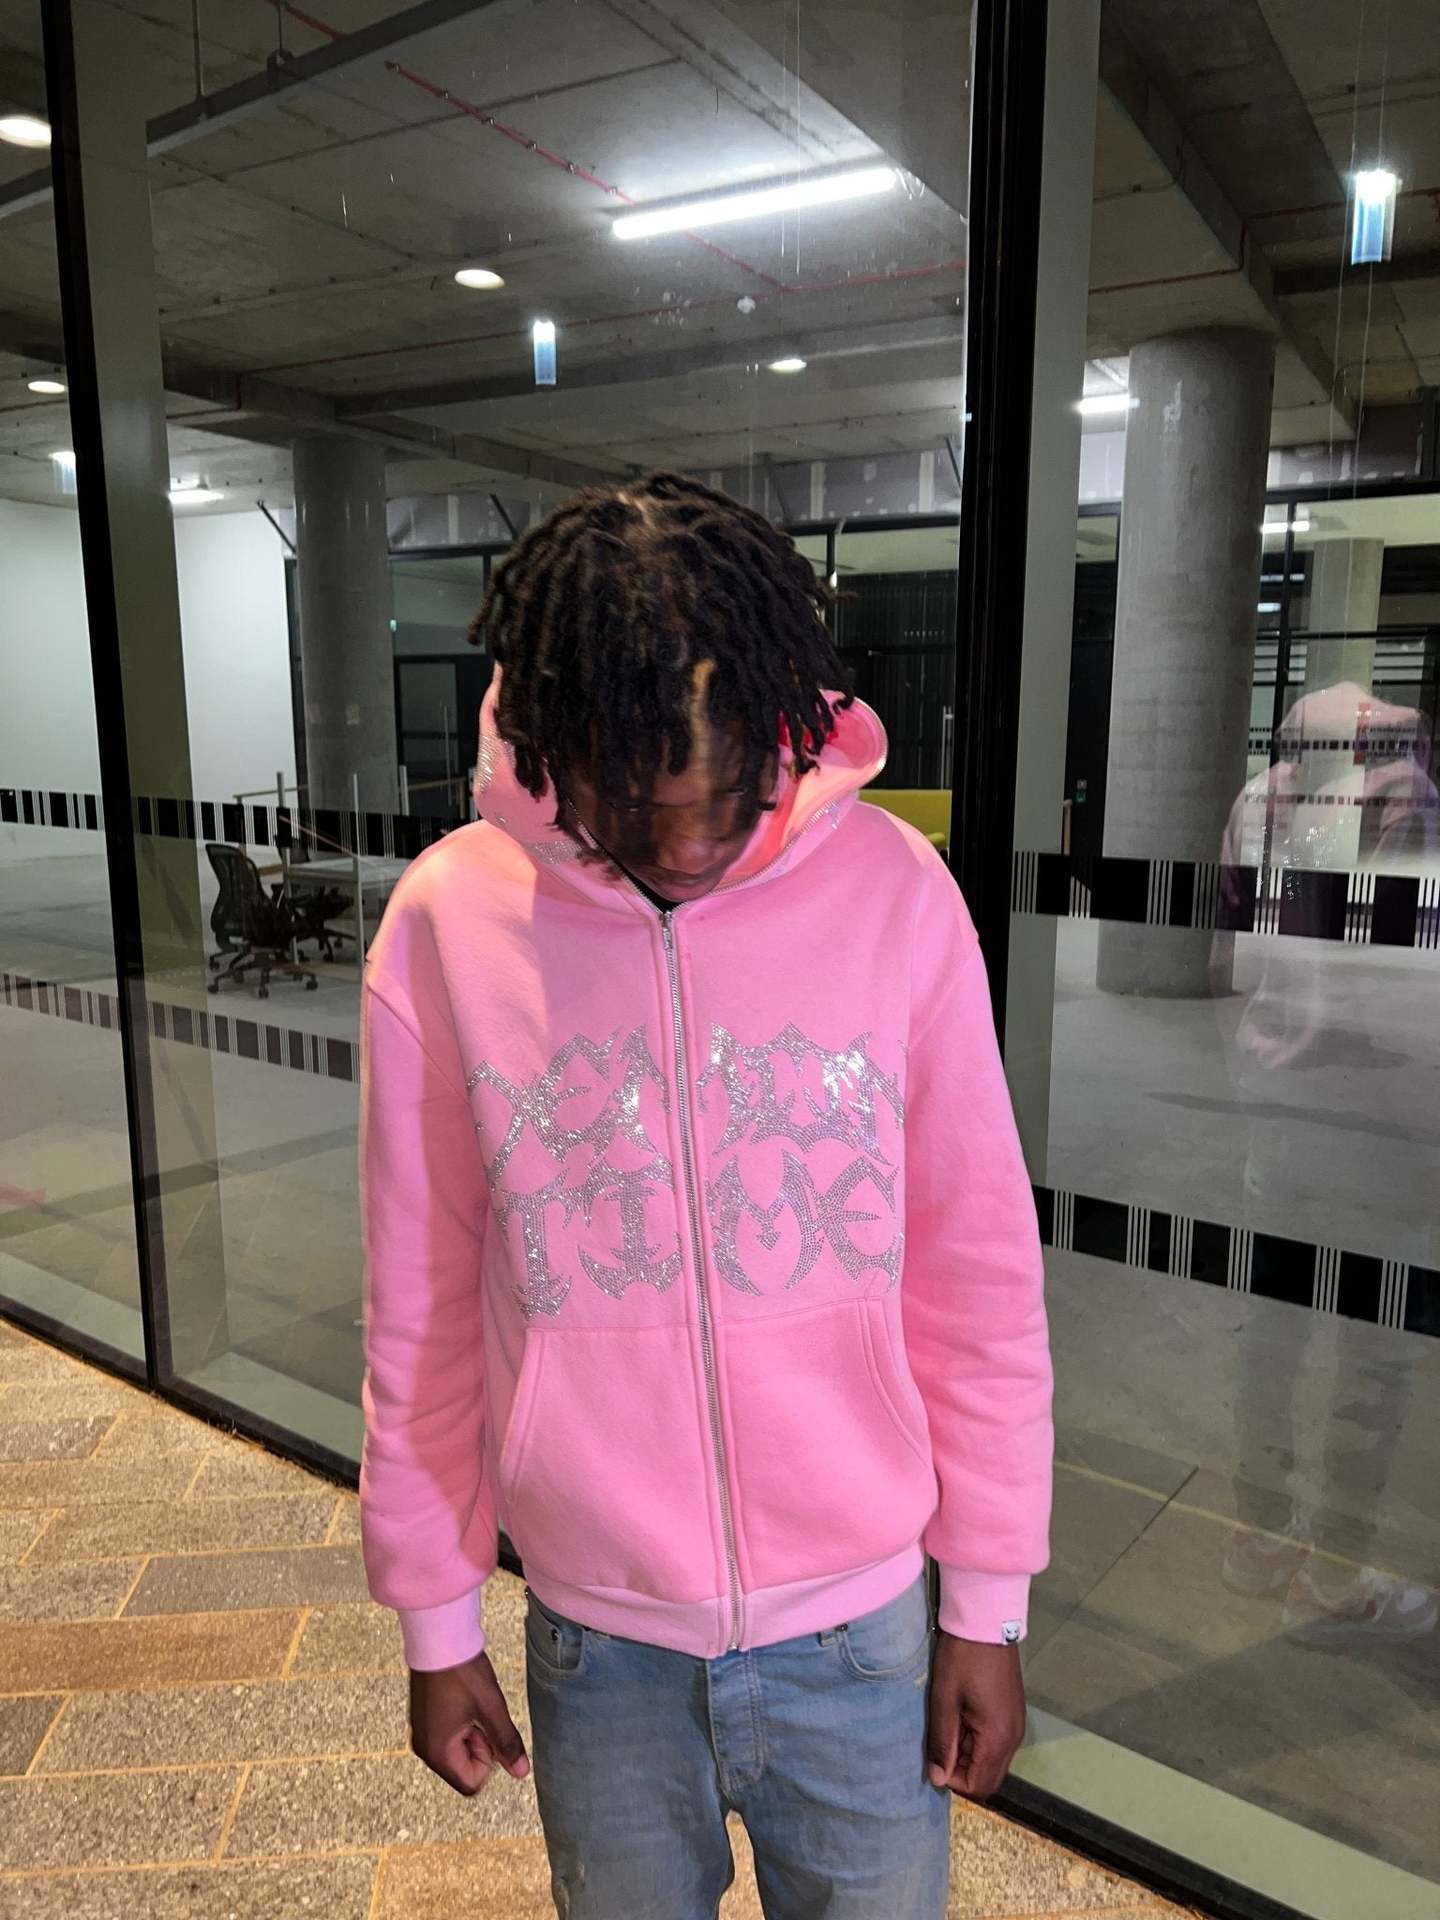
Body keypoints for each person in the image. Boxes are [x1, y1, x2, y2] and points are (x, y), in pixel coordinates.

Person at [358, 471, 1054, 1918]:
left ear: (786, 732)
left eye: (725, 794)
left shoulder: (896, 895)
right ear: (555, 748)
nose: (683, 844)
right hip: (599, 1646)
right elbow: (418, 1302)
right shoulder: (449, 924)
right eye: (634, 800)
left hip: (859, 1636)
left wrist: (988, 1602)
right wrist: (434, 1617)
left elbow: (977, 1272)